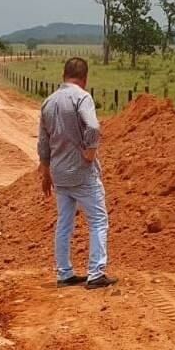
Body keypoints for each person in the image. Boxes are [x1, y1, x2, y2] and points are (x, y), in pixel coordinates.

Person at [37, 57, 117, 289]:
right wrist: (91, 151)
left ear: (63, 75)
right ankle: (96, 273)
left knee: (64, 223)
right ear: (85, 78)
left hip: (59, 173)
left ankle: (64, 273)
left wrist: (45, 172)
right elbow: (92, 126)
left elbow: (43, 141)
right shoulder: (82, 97)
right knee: (99, 220)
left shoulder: (48, 102)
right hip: (82, 173)